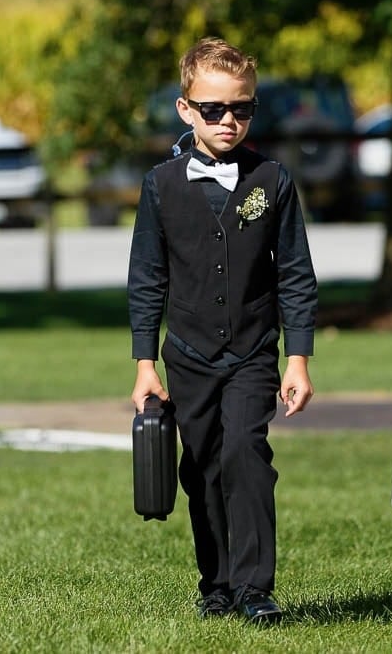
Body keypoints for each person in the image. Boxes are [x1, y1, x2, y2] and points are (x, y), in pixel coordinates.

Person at [127, 36, 318, 625]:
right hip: (185, 355)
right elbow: (146, 280)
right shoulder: (160, 187)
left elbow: (295, 276)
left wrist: (298, 358)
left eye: (242, 108)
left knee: (245, 454)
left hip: (253, 352)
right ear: (186, 109)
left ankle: (256, 588)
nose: (229, 121)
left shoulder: (274, 181)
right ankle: (216, 583)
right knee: (201, 467)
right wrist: (144, 365)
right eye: (214, 110)